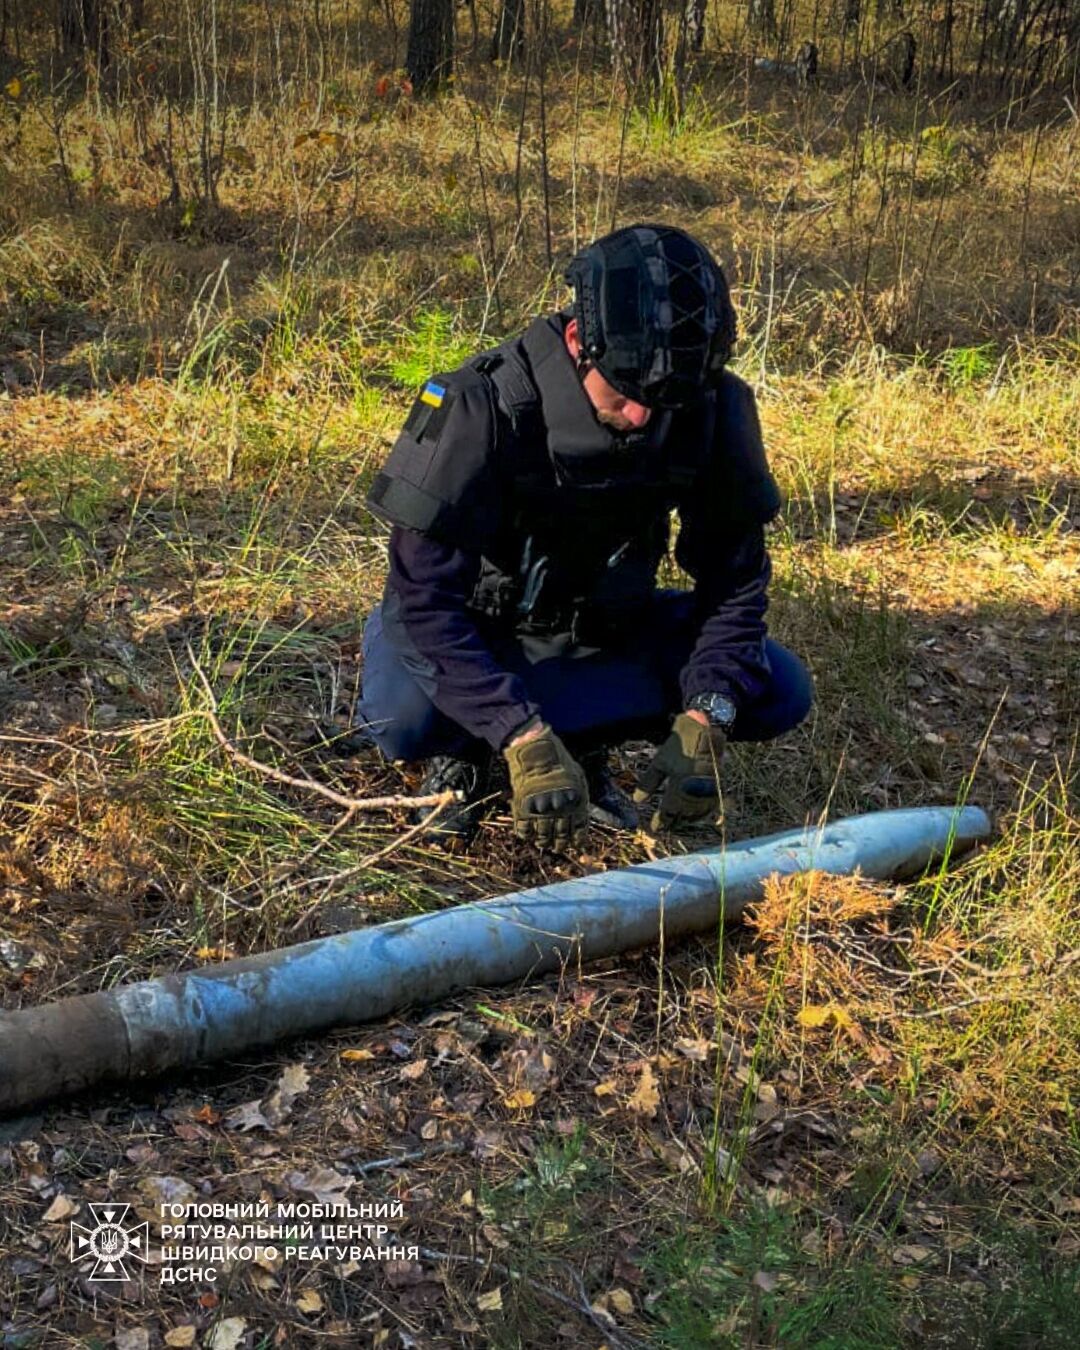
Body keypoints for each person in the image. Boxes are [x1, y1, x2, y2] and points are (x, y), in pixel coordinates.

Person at [357, 224, 812, 846]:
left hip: (606, 628)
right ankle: (467, 750)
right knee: (401, 716)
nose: (643, 417)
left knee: (776, 691)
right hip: (481, 633)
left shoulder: (709, 405)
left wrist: (707, 712)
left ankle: (582, 746)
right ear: (578, 340)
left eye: (667, 401)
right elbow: (422, 602)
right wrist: (518, 734)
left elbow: (735, 583)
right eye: (627, 393)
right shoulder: (479, 405)